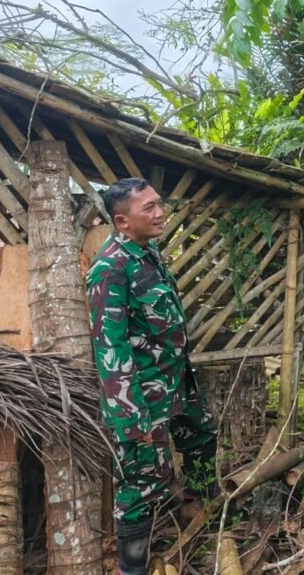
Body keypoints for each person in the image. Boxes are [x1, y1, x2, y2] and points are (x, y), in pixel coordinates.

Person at [86, 178, 218, 575]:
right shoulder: (110, 269)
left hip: (176, 381)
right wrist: (130, 417)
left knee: (202, 434)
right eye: (149, 208)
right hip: (141, 394)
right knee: (142, 481)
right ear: (122, 221)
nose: (160, 213)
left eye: (159, 203)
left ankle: (201, 509)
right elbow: (110, 349)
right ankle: (131, 568)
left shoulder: (148, 253)